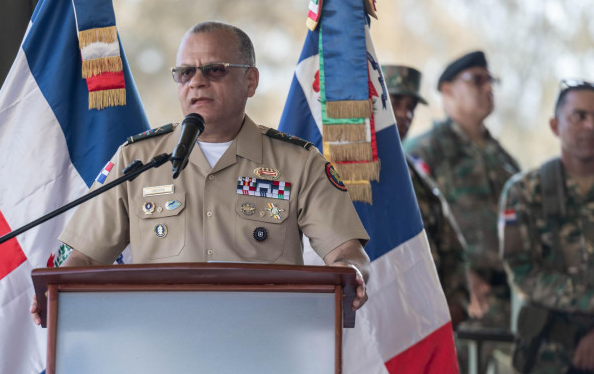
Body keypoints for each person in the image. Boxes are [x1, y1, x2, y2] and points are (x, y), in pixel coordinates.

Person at [31, 21, 370, 324]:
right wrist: (58, 290)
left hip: (266, 347)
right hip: (158, 352)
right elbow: (85, 258)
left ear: (250, 81)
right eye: (185, 73)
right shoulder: (138, 160)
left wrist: (351, 272)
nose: (197, 82)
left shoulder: (299, 162)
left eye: (215, 70)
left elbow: (346, 252)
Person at [500, 79, 594, 374]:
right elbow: (522, 272)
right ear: (555, 125)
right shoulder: (525, 192)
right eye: (579, 116)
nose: (590, 126)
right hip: (545, 359)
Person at [403, 51, 519, 330]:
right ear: (448, 90)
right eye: (478, 80)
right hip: (457, 302)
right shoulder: (426, 151)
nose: (488, 88)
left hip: (508, 303)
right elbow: (414, 227)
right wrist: (462, 278)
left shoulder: (504, 159)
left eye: (491, 81)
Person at [383, 64, 470, 328]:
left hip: (420, 323)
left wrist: (455, 305)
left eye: (411, 107)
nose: (404, 114)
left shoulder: (419, 182)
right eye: (395, 102)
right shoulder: (341, 171)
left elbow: (453, 250)